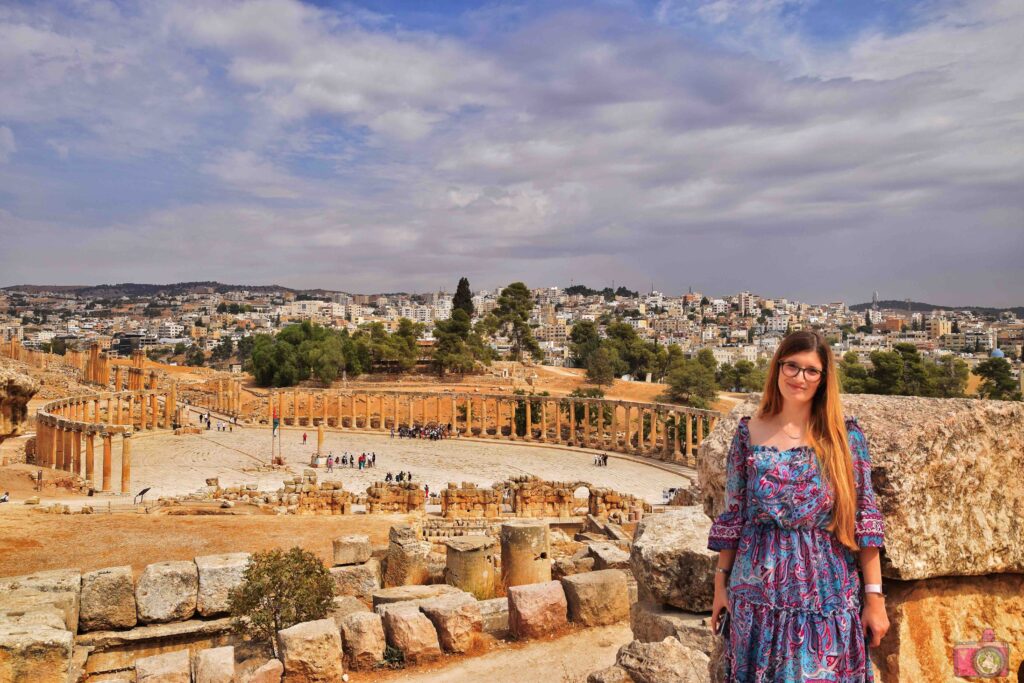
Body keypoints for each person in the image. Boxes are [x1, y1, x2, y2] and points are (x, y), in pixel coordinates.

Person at [708, 330, 888, 682]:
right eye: (792, 366)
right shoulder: (748, 433)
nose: (799, 377)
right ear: (777, 368)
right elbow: (734, 516)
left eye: (811, 370)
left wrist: (875, 599)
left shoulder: (844, 437)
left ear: (823, 379)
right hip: (755, 598)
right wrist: (719, 587)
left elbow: (864, 518)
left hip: (826, 597)